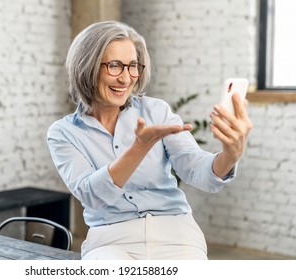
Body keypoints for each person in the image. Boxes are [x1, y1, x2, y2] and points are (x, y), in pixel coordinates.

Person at [47, 21, 252, 260]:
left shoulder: (156, 111)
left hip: (176, 233)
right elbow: (92, 195)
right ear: (86, 67)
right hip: (110, 241)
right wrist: (139, 148)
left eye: (133, 66)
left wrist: (230, 155)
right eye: (115, 66)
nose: (126, 78)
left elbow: (198, 170)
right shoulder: (63, 133)